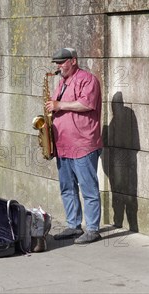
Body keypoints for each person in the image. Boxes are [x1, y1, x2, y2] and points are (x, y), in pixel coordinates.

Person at [45, 47, 103, 244]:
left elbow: (86, 104)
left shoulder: (88, 79)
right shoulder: (61, 83)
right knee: (67, 188)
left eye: (62, 62)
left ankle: (93, 229)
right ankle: (73, 226)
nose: (59, 66)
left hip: (83, 144)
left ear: (74, 60)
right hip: (63, 145)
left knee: (89, 189)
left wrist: (59, 105)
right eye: (57, 63)